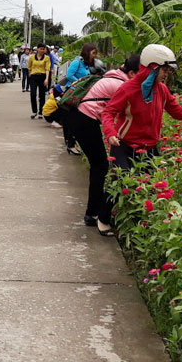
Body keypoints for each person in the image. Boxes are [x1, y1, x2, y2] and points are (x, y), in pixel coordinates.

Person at [99, 44, 182, 226]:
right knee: (119, 182)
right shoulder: (127, 89)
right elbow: (108, 112)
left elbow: (178, 112)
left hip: (149, 148)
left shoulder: (161, 90)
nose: (166, 75)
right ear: (152, 67)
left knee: (152, 187)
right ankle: (103, 219)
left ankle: (141, 224)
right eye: (164, 70)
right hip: (123, 145)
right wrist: (111, 132)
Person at [71, 54, 141, 235]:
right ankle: (92, 214)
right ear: (132, 73)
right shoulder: (121, 85)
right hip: (86, 121)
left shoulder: (114, 75)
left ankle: (93, 212)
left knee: (99, 166)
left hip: (82, 119)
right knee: (100, 166)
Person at [42, 85, 80, 154]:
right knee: (63, 110)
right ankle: (56, 122)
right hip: (49, 116)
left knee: (63, 111)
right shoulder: (55, 100)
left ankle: (68, 141)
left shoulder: (53, 97)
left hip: (47, 115)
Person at [28, 45, 52, 119]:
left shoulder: (46, 58)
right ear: (37, 49)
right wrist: (30, 73)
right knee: (33, 93)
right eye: (41, 49)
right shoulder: (32, 57)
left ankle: (41, 112)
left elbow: (47, 69)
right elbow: (29, 66)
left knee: (41, 95)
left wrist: (47, 79)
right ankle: (34, 111)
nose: (42, 50)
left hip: (42, 76)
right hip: (33, 77)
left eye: (43, 49)